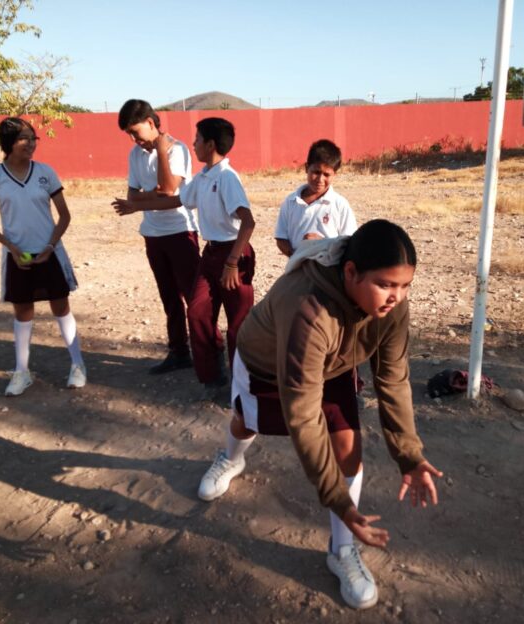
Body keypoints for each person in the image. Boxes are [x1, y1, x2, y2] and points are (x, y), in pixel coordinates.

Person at [195, 219, 442, 610]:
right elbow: (304, 417)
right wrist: (337, 500)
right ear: (350, 272)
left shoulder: (393, 307)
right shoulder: (309, 309)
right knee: (246, 423)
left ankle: (341, 550)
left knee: (348, 449)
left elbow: (393, 381)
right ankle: (229, 459)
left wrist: (409, 455)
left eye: (405, 285)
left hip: (333, 363)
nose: (397, 297)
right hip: (268, 362)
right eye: (385, 284)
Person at [112, 117, 255, 394]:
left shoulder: (227, 177)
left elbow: (248, 223)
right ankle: (213, 376)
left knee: (239, 324)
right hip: (211, 252)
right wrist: (134, 206)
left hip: (233, 254)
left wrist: (232, 263)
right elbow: (175, 200)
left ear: (210, 144)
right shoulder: (203, 177)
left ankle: (243, 387)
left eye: (198, 139)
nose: (193, 144)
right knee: (199, 310)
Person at [0, 117, 85, 396]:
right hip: (18, 256)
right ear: (8, 143)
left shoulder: (45, 172)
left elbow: (64, 216)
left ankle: (77, 365)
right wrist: (11, 248)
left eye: (33, 138)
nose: (30, 144)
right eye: (24, 138)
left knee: (60, 306)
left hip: (50, 252)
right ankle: (22, 371)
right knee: (23, 311)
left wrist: (50, 247)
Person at [117, 99, 201, 374]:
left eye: (135, 131)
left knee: (194, 298)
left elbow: (170, 190)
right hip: (152, 234)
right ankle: (179, 352)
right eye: (128, 134)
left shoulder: (178, 150)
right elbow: (134, 194)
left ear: (151, 123)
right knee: (169, 298)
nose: (133, 139)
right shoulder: (134, 154)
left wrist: (161, 153)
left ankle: (208, 353)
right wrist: (153, 197)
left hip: (180, 231)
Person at [274, 139, 357, 257]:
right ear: (306, 168)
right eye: (316, 172)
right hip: (298, 269)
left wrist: (324, 244)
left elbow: (350, 244)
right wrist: (296, 256)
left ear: (335, 175)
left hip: (328, 271)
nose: (320, 179)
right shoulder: (291, 202)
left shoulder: (340, 205)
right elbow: (281, 238)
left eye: (327, 174)